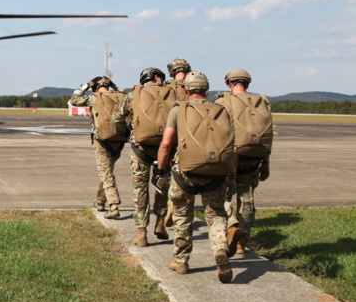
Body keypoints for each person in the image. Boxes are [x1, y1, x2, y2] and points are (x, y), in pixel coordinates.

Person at [157, 71, 236, 283]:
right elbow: (231, 146)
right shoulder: (222, 110)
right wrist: (231, 175)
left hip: (185, 174)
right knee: (217, 213)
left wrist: (161, 170)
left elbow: (166, 144)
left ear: (185, 89)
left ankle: (181, 261)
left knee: (182, 215)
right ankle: (220, 248)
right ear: (206, 89)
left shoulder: (178, 110)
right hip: (216, 174)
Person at [112, 67, 174, 246]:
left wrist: (125, 134)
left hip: (140, 149)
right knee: (162, 185)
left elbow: (117, 118)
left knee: (140, 190)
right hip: (165, 149)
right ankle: (160, 221)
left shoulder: (133, 94)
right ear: (156, 77)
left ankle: (141, 233)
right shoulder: (172, 94)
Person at [215, 68, 273, 255]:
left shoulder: (224, 100)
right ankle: (242, 243)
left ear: (230, 83)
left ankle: (231, 223)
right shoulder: (262, 101)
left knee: (223, 195)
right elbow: (267, 134)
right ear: (247, 84)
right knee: (246, 198)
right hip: (254, 158)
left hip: (231, 157)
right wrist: (266, 162)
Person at [70, 76, 125, 219]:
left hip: (102, 141)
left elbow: (74, 100)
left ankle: (113, 205)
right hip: (118, 141)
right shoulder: (122, 97)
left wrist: (84, 87)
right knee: (106, 171)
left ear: (95, 87)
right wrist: (115, 86)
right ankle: (100, 201)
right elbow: (124, 93)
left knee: (106, 174)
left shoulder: (94, 98)